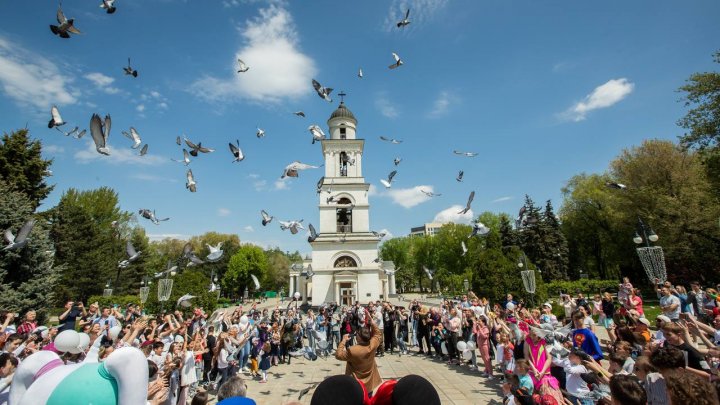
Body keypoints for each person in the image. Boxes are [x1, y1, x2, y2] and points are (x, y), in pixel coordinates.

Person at [335, 309, 382, 393]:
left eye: (357, 334)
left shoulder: (353, 350)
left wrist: (343, 340)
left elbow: (338, 355)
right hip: (369, 383)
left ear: (359, 338)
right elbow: (378, 334)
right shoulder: (373, 344)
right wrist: (371, 319)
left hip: (356, 383)